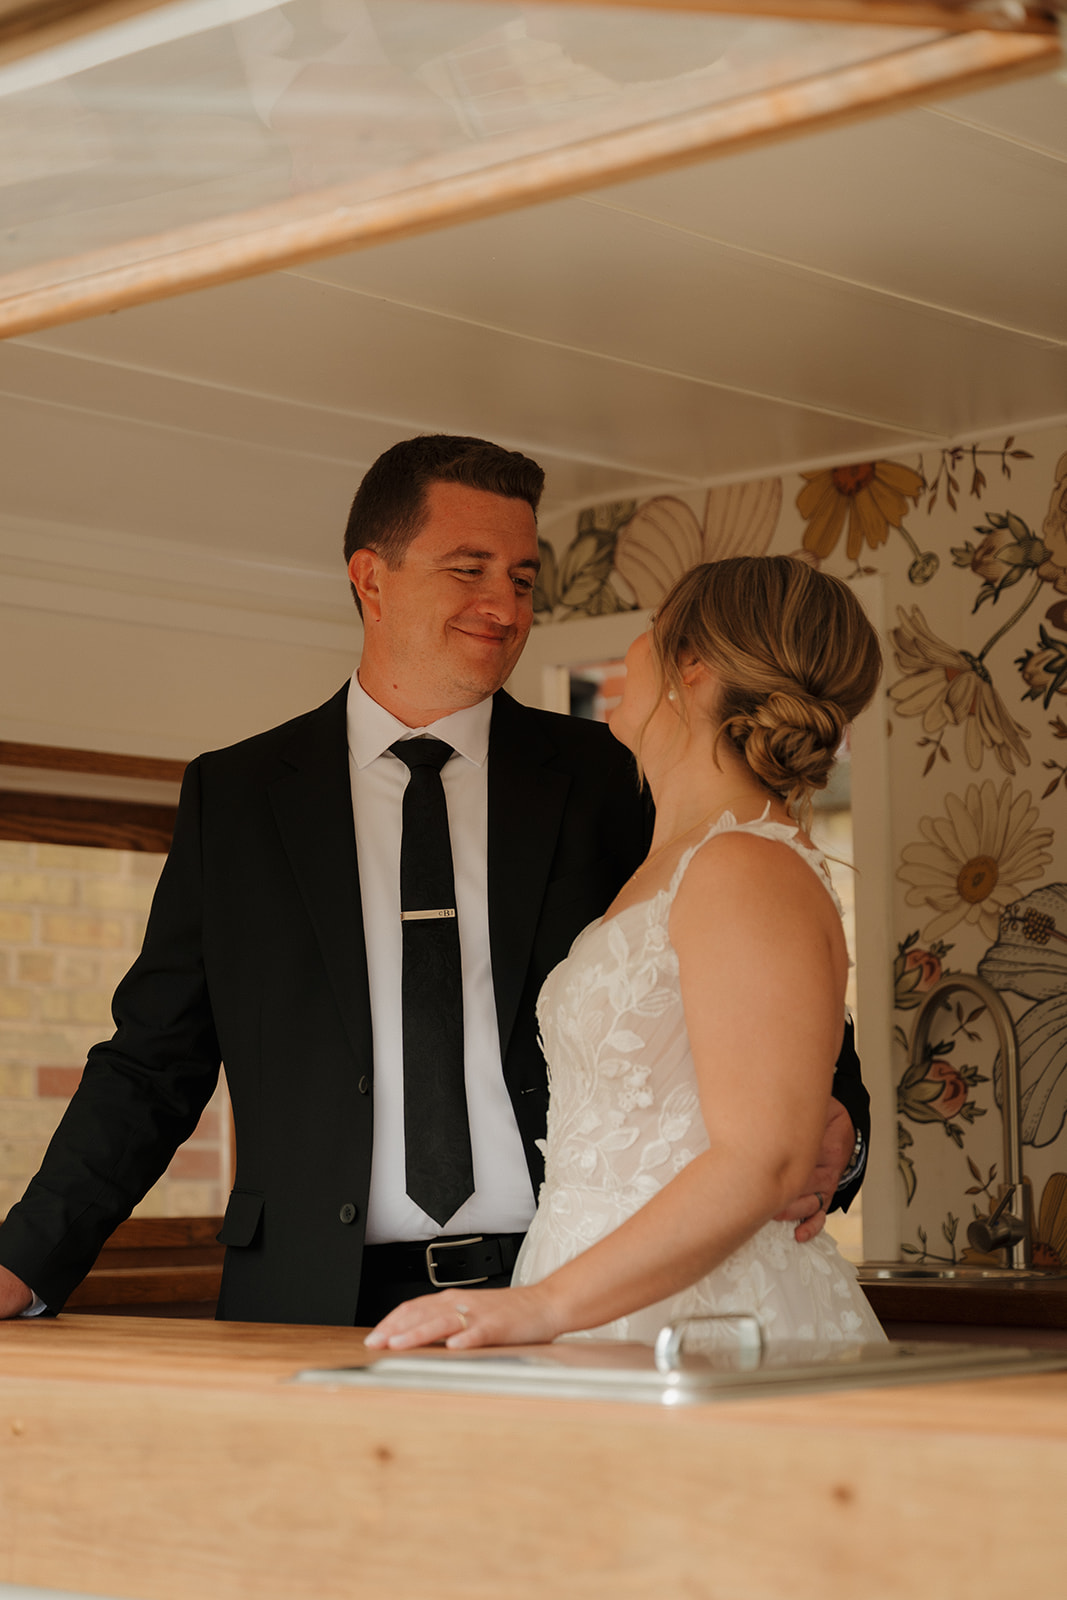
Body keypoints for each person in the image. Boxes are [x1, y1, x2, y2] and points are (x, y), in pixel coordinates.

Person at [0, 442, 868, 1326]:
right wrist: (24, 1260)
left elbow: (774, 1002)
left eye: (523, 579)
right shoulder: (236, 797)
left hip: (575, 1284)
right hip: (306, 1295)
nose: (505, 606)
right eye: (469, 569)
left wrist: (841, 1125)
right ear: (370, 579)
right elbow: (153, 1061)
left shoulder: (626, 776)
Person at [365, 555, 886, 1353]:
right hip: (592, 1281)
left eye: (649, 630)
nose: (631, 653)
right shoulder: (672, 859)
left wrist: (542, 1307)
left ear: (692, 663)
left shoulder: (744, 866)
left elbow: (760, 1160)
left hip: (701, 1317)